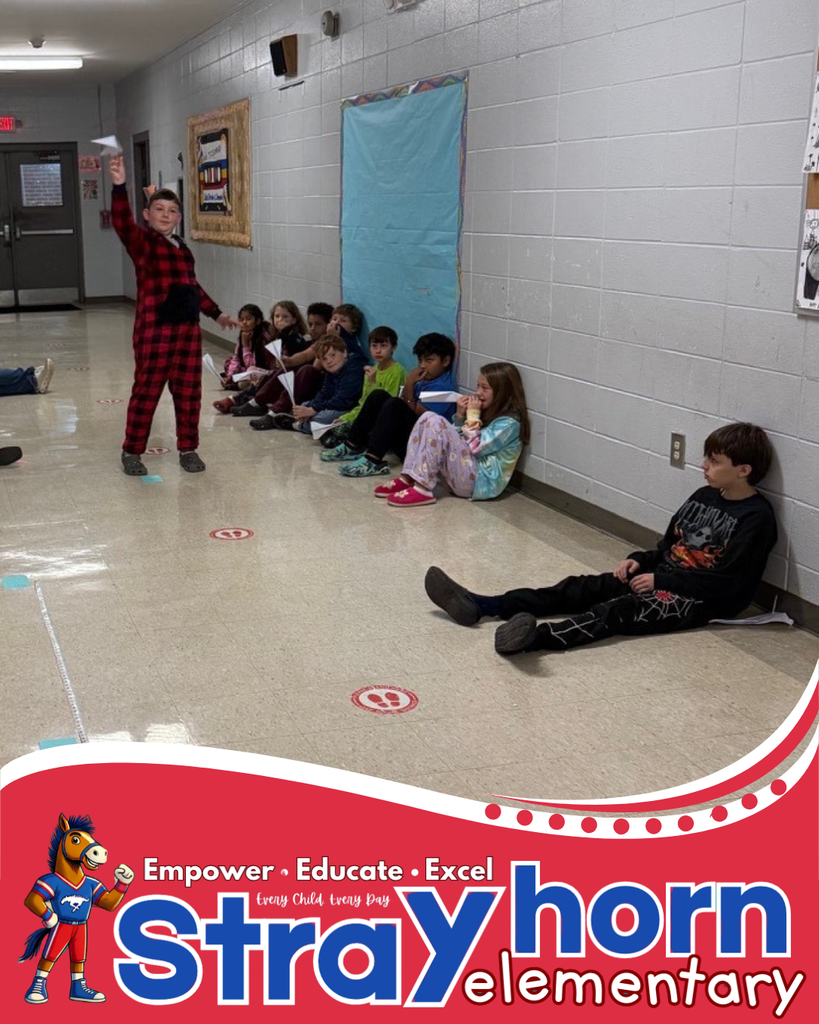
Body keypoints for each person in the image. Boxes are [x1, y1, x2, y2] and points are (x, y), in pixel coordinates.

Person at [425, 423, 778, 656]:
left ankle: (537, 638)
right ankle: (484, 605)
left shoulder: (756, 519)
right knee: (580, 588)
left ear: (743, 470)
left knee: (616, 611)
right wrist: (640, 560)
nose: (703, 465)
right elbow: (668, 546)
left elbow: (729, 584)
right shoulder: (704, 495)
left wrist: (662, 580)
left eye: (714, 461)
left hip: (699, 600)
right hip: (659, 577)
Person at [109, 154, 238, 475]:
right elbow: (123, 222)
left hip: (187, 335)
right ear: (146, 215)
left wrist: (217, 314)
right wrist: (119, 185)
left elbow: (192, 289)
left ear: (179, 217)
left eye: (171, 211)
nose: (165, 216)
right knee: (147, 393)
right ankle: (131, 451)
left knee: (189, 394)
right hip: (155, 334)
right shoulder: (144, 243)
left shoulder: (182, 248)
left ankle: (188, 448)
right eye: (158, 210)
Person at [377, 362, 529, 508]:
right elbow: (460, 443)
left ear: (502, 392)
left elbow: (475, 449)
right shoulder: (489, 411)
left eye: (485, 388)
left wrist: (473, 414)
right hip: (467, 474)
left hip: (480, 483)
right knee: (428, 417)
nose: (478, 392)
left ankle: (422, 488)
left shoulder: (510, 423)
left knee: (437, 422)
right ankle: (409, 477)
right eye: (478, 386)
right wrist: (460, 416)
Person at [321, 333, 458, 478]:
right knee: (378, 395)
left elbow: (420, 418)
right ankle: (352, 445)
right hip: (411, 438)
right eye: (420, 360)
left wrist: (409, 383)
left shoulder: (445, 388)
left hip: (423, 447)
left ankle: (373, 459)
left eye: (429, 360)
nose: (423, 365)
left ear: (446, 361)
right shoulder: (425, 380)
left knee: (395, 404)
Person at [245, 303, 367, 430]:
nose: (337, 323)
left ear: (353, 327)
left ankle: (294, 423)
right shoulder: (326, 341)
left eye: (343, 320)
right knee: (292, 375)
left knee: (308, 376)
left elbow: (318, 368)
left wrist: (313, 409)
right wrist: (287, 361)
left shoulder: (354, 354)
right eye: (334, 319)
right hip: (328, 395)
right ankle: (259, 403)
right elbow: (308, 357)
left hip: (342, 403)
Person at [319, 326, 406, 450]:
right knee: (337, 425)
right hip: (367, 418)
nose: (378, 350)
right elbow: (363, 404)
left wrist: (373, 382)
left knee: (353, 433)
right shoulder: (371, 370)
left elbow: (387, 405)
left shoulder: (397, 372)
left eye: (383, 346)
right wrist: (345, 418)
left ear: (394, 347)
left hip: (383, 422)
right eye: (374, 346)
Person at [217, 301, 307, 415]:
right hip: (269, 371)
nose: (280, 320)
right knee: (232, 364)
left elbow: (264, 363)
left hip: (281, 373)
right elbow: (236, 357)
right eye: (277, 316)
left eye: (285, 317)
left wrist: (245, 345)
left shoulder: (291, 336)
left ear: (294, 320)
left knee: (256, 374)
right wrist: (231, 374)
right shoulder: (272, 334)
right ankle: (241, 395)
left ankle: (243, 399)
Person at [273, 334, 364, 433]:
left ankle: (298, 426)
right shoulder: (333, 370)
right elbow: (324, 393)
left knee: (321, 418)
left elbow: (343, 401)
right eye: (324, 359)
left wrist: (314, 410)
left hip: (349, 409)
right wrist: (311, 407)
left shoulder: (354, 369)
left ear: (345, 352)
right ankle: (305, 422)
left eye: (333, 355)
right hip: (334, 405)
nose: (329, 361)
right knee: (305, 404)